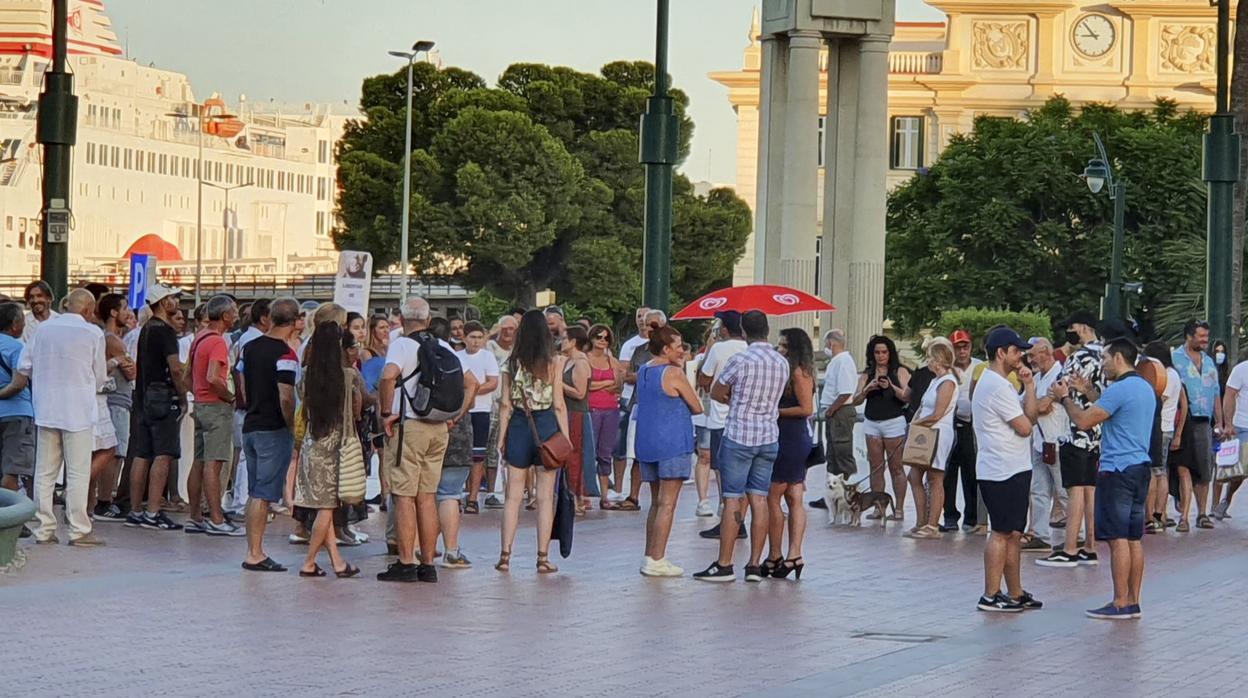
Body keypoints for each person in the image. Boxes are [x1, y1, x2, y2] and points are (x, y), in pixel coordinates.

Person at [1047, 339, 1152, 619]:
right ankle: (1132, 600)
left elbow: (1083, 421)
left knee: (1117, 538)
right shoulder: (1143, 387)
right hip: (1140, 466)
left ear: (1118, 358)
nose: (1102, 364)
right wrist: (1088, 390)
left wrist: (1065, 397)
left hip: (1117, 469)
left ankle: (1119, 602)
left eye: (1105, 358)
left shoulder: (1119, 389)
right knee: (1133, 539)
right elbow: (1111, 410)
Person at [694, 310, 788, 583]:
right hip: (769, 434)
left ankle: (725, 563)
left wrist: (735, 400)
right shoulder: (780, 361)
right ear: (767, 330)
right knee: (759, 498)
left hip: (739, 434)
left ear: (744, 331)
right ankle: (755, 565)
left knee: (732, 498)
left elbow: (716, 391)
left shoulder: (741, 359)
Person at [13, 289, 108, 546]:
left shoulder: (43, 330)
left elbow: (24, 365)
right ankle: (79, 530)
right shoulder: (93, 333)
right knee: (77, 472)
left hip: (46, 408)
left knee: (45, 471)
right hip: (78, 410)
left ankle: (45, 529)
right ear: (88, 310)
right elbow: (99, 376)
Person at [496, 309, 570, 574]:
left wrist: (502, 437)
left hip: (518, 423)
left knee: (513, 495)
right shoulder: (554, 362)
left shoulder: (510, 362)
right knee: (545, 497)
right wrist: (566, 437)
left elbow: (504, 403)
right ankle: (542, 557)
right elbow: (559, 404)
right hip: (547, 425)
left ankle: (505, 555)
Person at [377, 296, 446, 583]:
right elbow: (469, 381)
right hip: (438, 426)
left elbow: (388, 376)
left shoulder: (402, 345)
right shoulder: (440, 346)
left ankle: (406, 561)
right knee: (427, 496)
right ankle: (428, 563)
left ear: (402, 321)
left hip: (412, 425)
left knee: (404, 495)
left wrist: (385, 411)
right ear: (428, 321)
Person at [972, 327, 1040, 613]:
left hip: (1014, 466)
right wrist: (1027, 407)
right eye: (1015, 351)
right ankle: (990, 594)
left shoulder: (1005, 384)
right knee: (1000, 531)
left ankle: (1015, 591)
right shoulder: (996, 386)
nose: (1021, 356)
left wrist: (1031, 388)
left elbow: (1030, 417)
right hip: (1000, 468)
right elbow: (1025, 427)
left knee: (1013, 531)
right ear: (1001, 353)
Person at [293, 320, 362, 578]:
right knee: (327, 507)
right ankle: (309, 561)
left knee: (324, 505)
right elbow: (355, 411)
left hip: (313, 443)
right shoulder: (348, 376)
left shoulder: (307, 374)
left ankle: (337, 561)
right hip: (337, 444)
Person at [239, 297, 301, 572]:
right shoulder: (286, 354)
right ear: (296, 321)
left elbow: (239, 378)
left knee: (255, 491)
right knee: (263, 494)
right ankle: (255, 552)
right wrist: (291, 426)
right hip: (273, 427)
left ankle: (254, 548)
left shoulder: (250, 347)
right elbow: (286, 396)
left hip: (251, 422)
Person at [1038, 312, 1104, 567]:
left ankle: (1069, 548)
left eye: (1072, 327)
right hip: (1096, 430)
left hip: (1075, 430)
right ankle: (1089, 545)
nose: (1070, 332)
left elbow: (1059, 386)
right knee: (1089, 488)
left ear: (1084, 328)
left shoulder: (1080, 356)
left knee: (1075, 488)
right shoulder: (1104, 354)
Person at [636, 323, 702, 577]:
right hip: (673, 441)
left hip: (648, 440)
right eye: (678, 346)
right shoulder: (673, 373)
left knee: (655, 502)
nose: (682, 350)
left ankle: (649, 554)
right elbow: (696, 406)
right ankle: (658, 557)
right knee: (668, 503)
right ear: (665, 349)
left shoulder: (644, 370)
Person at [125, 284, 188, 532]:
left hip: (143, 397)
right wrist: (182, 395)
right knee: (163, 453)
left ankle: (136, 510)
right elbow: (174, 367)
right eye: (172, 298)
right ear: (163, 303)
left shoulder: (146, 330)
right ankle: (153, 511)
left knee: (142, 453)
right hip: (162, 397)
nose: (175, 301)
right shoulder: (165, 332)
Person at [185, 295, 244, 536]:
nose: (238, 315)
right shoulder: (218, 342)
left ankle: (195, 516)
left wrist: (197, 394)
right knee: (215, 462)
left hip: (200, 405)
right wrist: (231, 397)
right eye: (235, 311)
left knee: (199, 461)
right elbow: (213, 377)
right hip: (215, 406)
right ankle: (217, 518)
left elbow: (187, 376)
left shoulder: (199, 338)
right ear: (226, 316)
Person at [764, 328, 815, 576]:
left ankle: (777, 554)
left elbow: (806, 408)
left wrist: (776, 411)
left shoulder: (798, 372)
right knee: (794, 496)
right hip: (790, 436)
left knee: (774, 496)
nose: (779, 349)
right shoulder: (793, 371)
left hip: (790, 437)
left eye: (784, 345)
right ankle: (793, 555)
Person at [428, 316, 478, 569]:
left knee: (424, 493)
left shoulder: (417, 352)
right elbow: (474, 384)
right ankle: (451, 551)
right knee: (449, 494)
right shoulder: (454, 357)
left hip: (425, 427)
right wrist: (456, 415)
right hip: (456, 431)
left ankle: (418, 548)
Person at [696, 310, 749, 539]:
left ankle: (727, 516)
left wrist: (710, 347)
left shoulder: (718, 349)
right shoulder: (749, 349)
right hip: (746, 419)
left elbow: (703, 379)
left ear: (725, 329)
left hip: (720, 417)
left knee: (722, 471)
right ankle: (741, 518)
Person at [904, 338, 959, 539]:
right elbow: (922, 406)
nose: (928, 361)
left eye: (930, 358)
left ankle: (933, 524)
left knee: (935, 477)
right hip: (925, 431)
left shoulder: (948, 382)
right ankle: (921, 520)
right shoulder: (934, 380)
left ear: (938, 360)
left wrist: (916, 425)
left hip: (938, 431)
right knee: (914, 475)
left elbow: (938, 413)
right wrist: (915, 421)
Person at [852, 335, 912, 521]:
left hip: (894, 421)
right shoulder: (866, 374)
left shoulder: (900, 371)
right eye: (877, 352)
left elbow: (908, 397)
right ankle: (878, 507)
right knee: (875, 466)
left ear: (890, 352)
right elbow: (855, 400)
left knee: (896, 467)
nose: (880, 356)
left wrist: (891, 386)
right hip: (872, 422)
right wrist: (867, 389)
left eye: (884, 352)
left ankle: (899, 508)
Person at [1170, 319, 1221, 531]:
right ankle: (1183, 514)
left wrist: (1220, 422)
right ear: (1189, 336)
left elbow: (1216, 393)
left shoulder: (1209, 362)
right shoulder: (1175, 359)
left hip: (1204, 422)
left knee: (1205, 468)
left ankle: (1202, 513)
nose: (1204, 341)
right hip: (1183, 420)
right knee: (1183, 468)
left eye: (1206, 337)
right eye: (1201, 337)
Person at [91, 295, 136, 522]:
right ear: (113, 313)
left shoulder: (104, 337)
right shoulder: (114, 341)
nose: (129, 312)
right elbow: (131, 371)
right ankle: (105, 502)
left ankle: (98, 499)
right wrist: (126, 360)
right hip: (117, 400)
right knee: (115, 452)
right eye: (125, 308)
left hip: (112, 399)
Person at [1024, 337, 1068, 551]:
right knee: (1038, 490)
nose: (1030, 359)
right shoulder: (1038, 378)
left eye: (1033, 355)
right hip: (1039, 442)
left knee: (1063, 490)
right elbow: (1027, 405)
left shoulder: (1061, 374)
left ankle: (1077, 534)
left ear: (1046, 352)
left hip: (1056, 441)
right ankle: (1040, 534)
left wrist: (1035, 405)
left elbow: (1040, 408)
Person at [0, 303, 35, 537]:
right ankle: (11, 522)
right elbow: (19, 383)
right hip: (16, 413)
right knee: (11, 470)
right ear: (15, 325)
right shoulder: (18, 347)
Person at [943, 329, 983, 532]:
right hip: (950, 424)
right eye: (957, 347)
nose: (962, 351)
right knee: (948, 473)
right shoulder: (947, 369)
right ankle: (950, 516)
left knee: (971, 472)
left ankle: (971, 517)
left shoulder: (978, 366)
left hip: (971, 425)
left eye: (965, 346)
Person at [458, 320, 500, 514]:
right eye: (472, 337)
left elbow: (492, 382)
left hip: (481, 411)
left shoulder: (487, 357)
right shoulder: (456, 356)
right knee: (461, 455)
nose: (475, 341)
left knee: (478, 456)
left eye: (479, 337)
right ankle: (460, 493)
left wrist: (471, 392)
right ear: (464, 338)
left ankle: (473, 497)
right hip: (462, 412)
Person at [1144, 341, 1185, 531]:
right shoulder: (1174, 374)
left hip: (1161, 427)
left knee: (1156, 472)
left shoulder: (1166, 375)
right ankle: (1159, 513)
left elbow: (1158, 398)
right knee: (1161, 471)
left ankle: (1154, 514)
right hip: (1166, 427)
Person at [587, 323, 624, 511]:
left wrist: (603, 383)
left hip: (610, 409)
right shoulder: (585, 359)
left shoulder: (612, 361)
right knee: (588, 450)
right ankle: (583, 493)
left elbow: (619, 386)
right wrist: (606, 383)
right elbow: (586, 385)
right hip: (592, 408)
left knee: (605, 452)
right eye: (598, 337)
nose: (602, 341)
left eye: (605, 338)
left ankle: (603, 495)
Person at [482, 314, 518, 509]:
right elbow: (478, 347)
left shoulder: (518, 351)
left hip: (511, 404)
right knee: (485, 447)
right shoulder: (489, 348)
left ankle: (504, 489)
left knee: (502, 449)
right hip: (490, 403)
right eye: (504, 329)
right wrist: (492, 333)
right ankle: (485, 490)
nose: (507, 333)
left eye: (511, 329)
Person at [819, 329, 859, 482]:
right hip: (835, 411)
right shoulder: (836, 361)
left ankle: (847, 489)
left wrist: (831, 409)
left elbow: (845, 392)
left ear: (831, 343)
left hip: (840, 411)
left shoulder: (844, 361)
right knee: (833, 453)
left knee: (842, 451)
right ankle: (832, 489)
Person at [560, 325, 592, 514]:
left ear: (573, 342)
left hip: (576, 412)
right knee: (568, 455)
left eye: (565, 339)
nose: (562, 342)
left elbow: (580, 393)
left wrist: (558, 383)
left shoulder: (581, 362)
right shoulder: (568, 361)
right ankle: (571, 495)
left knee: (574, 455)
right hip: (567, 411)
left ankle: (577, 496)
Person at [1218, 351, 1248, 520]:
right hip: (1243, 425)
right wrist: (1228, 423)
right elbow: (1229, 395)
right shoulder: (1241, 370)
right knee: (1241, 471)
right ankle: (1226, 499)